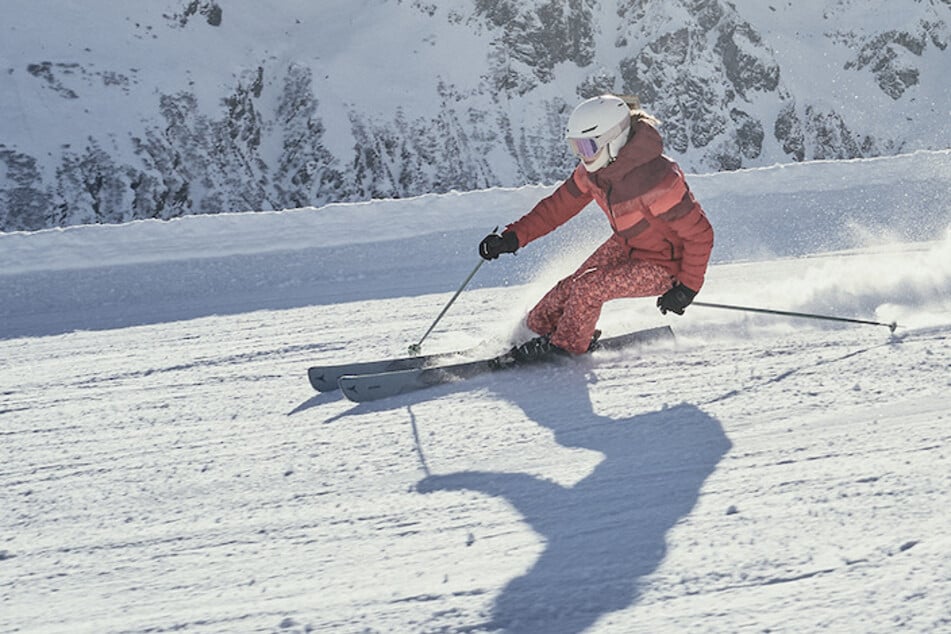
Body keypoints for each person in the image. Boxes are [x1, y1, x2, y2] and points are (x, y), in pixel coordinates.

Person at [478, 94, 713, 360]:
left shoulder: (658, 181)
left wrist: (686, 289)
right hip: (630, 244)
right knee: (570, 285)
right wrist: (512, 238)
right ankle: (532, 331)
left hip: (667, 265)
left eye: (587, 148)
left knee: (588, 288)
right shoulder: (595, 173)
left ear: (614, 140)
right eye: (575, 147)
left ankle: (566, 346)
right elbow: (557, 207)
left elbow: (700, 234)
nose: (582, 156)